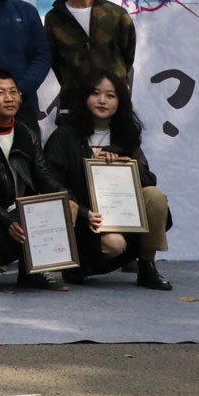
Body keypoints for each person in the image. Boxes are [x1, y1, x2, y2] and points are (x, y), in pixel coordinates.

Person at [43, 70, 174, 290]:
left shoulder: (125, 135)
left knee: (155, 196)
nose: (102, 100)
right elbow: (50, 179)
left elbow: (149, 179)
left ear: (120, 102)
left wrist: (126, 164)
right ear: (84, 97)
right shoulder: (65, 135)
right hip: (82, 221)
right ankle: (76, 265)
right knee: (114, 244)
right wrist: (82, 212)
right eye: (95, 93)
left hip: (119, 218)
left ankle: (147, 266)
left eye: (111, 95)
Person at [0, 67, 69, 290]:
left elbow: (43, 176)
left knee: (59, 206)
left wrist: (67, 198)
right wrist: (6, 219)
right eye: (0, 92)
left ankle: (33, 271)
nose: (9, 98)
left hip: (19, 213)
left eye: (14, 92)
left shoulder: (26, 133)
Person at [46, 0, 136, 92]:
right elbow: (55, 60)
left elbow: (128, 55)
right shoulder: (54, 17)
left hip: (113, 95)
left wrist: (116, 80)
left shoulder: (116, 14)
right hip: (74, 97)